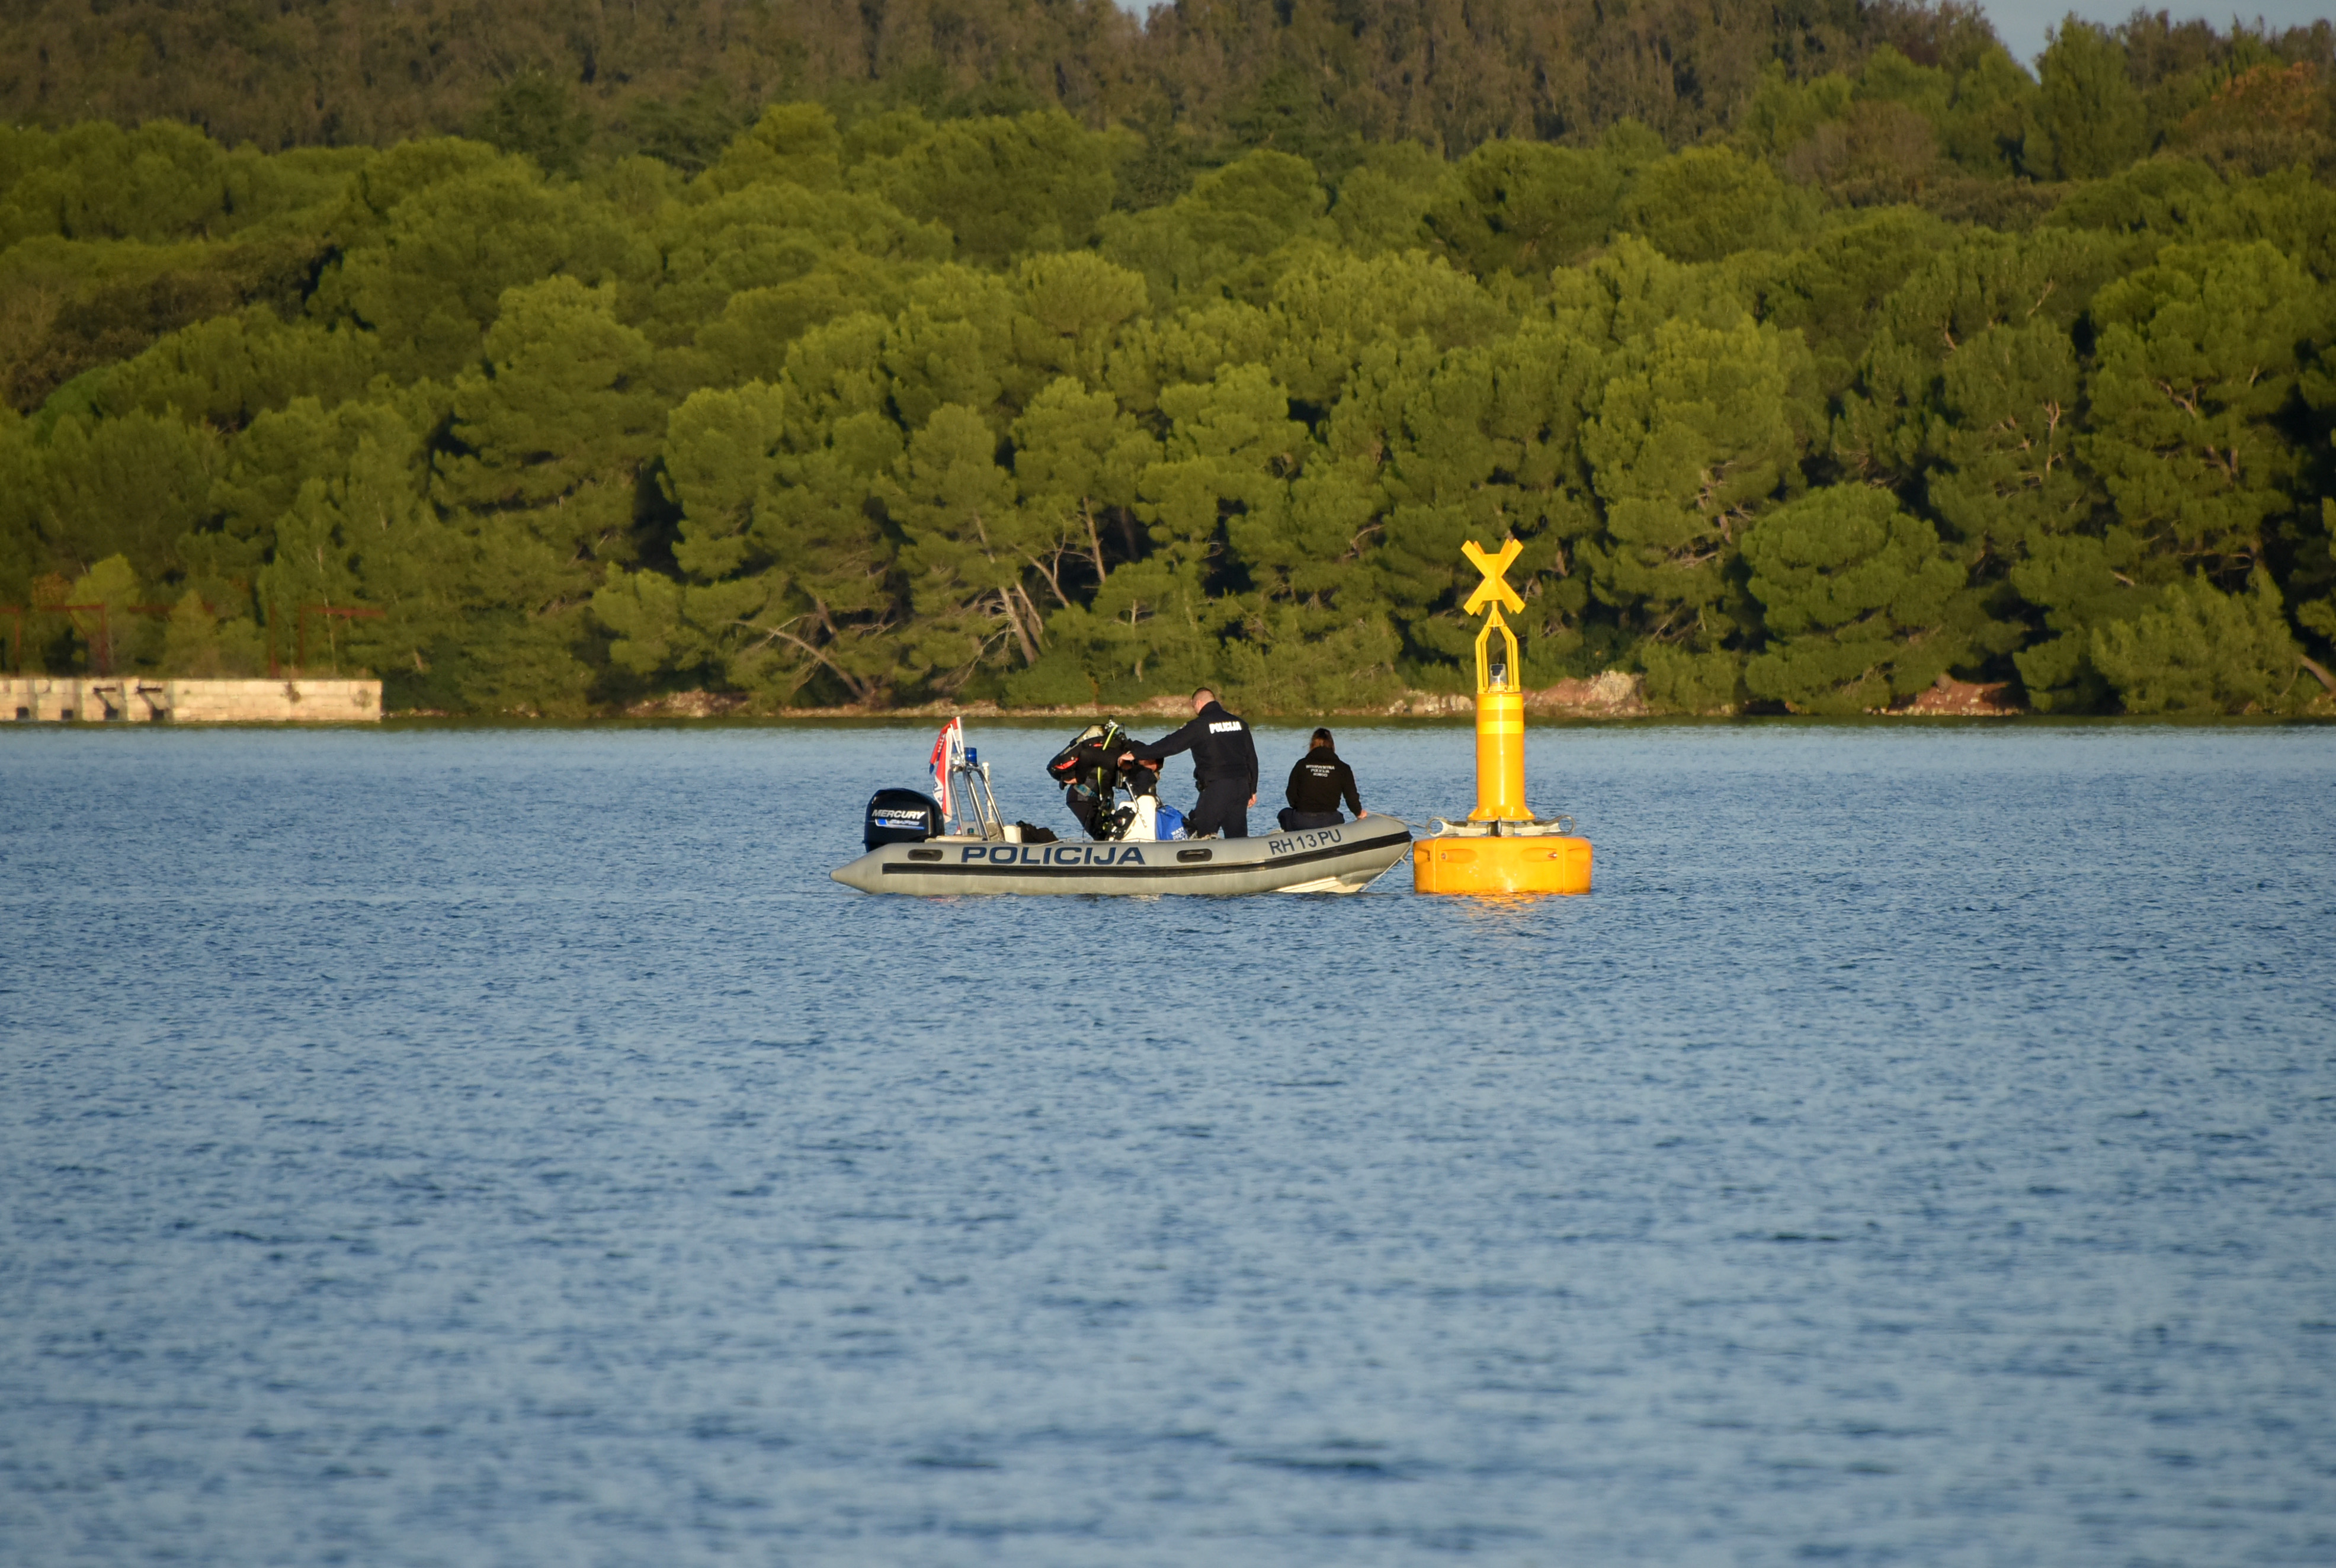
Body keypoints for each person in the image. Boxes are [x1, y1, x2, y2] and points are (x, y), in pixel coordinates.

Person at [1120, 688, 1257, 838]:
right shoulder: (1240, 723)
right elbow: (1252, 758)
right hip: (1242, 787)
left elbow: (1171, 745)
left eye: (1194, 707)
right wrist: (1253, 789)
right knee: (1237, 837)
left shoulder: (1200, 725)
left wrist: (1136, 754)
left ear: (1198, 703)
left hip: (1217, 788)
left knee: (1202, 833)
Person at [1280, 728, 1367, 832]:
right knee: (1340, 817)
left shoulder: (1301, 765)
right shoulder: (1343, 768)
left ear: (1312, 745)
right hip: (1331, 821)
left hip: (1303, 821)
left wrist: (1300, 808)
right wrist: (1359, 813)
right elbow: (1351, 798)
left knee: (1284, 814)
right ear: (1332, 746)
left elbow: (1291, 794)